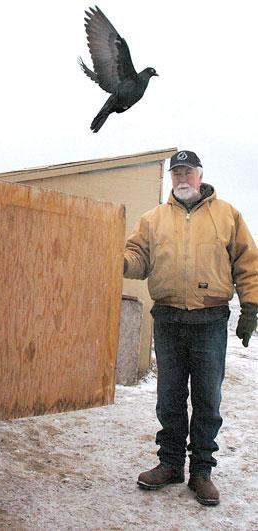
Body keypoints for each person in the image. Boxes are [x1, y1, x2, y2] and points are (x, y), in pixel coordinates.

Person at [123, 150, 258, 506]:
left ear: (200, 175)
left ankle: (201, 471)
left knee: (207, 399)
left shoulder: (227, 215)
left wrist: (251, 305)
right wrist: (118, 260)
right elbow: (138, 258)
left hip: (209, 321)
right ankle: (170, 464)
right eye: (177, 173)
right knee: (169, 397)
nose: (182, 178)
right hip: (168, 319)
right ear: (171, 178)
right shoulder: (152, 219)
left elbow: (247, 262)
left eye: (188, 172)